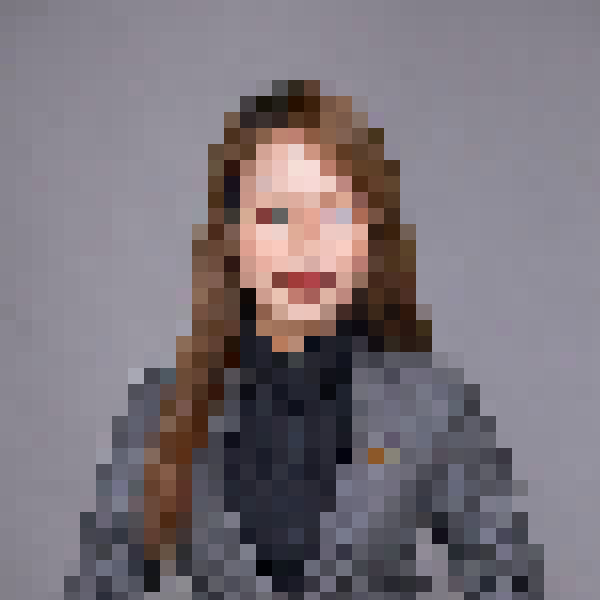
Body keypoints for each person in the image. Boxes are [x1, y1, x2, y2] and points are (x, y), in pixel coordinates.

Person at [65, 79, 544, 599]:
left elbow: (509, 582)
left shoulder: (431, 404)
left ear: (369, 235)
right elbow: (99, 586)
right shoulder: (158, 409)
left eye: (333, 212)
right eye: (277, 214)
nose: (306, 243)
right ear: (233, 236)